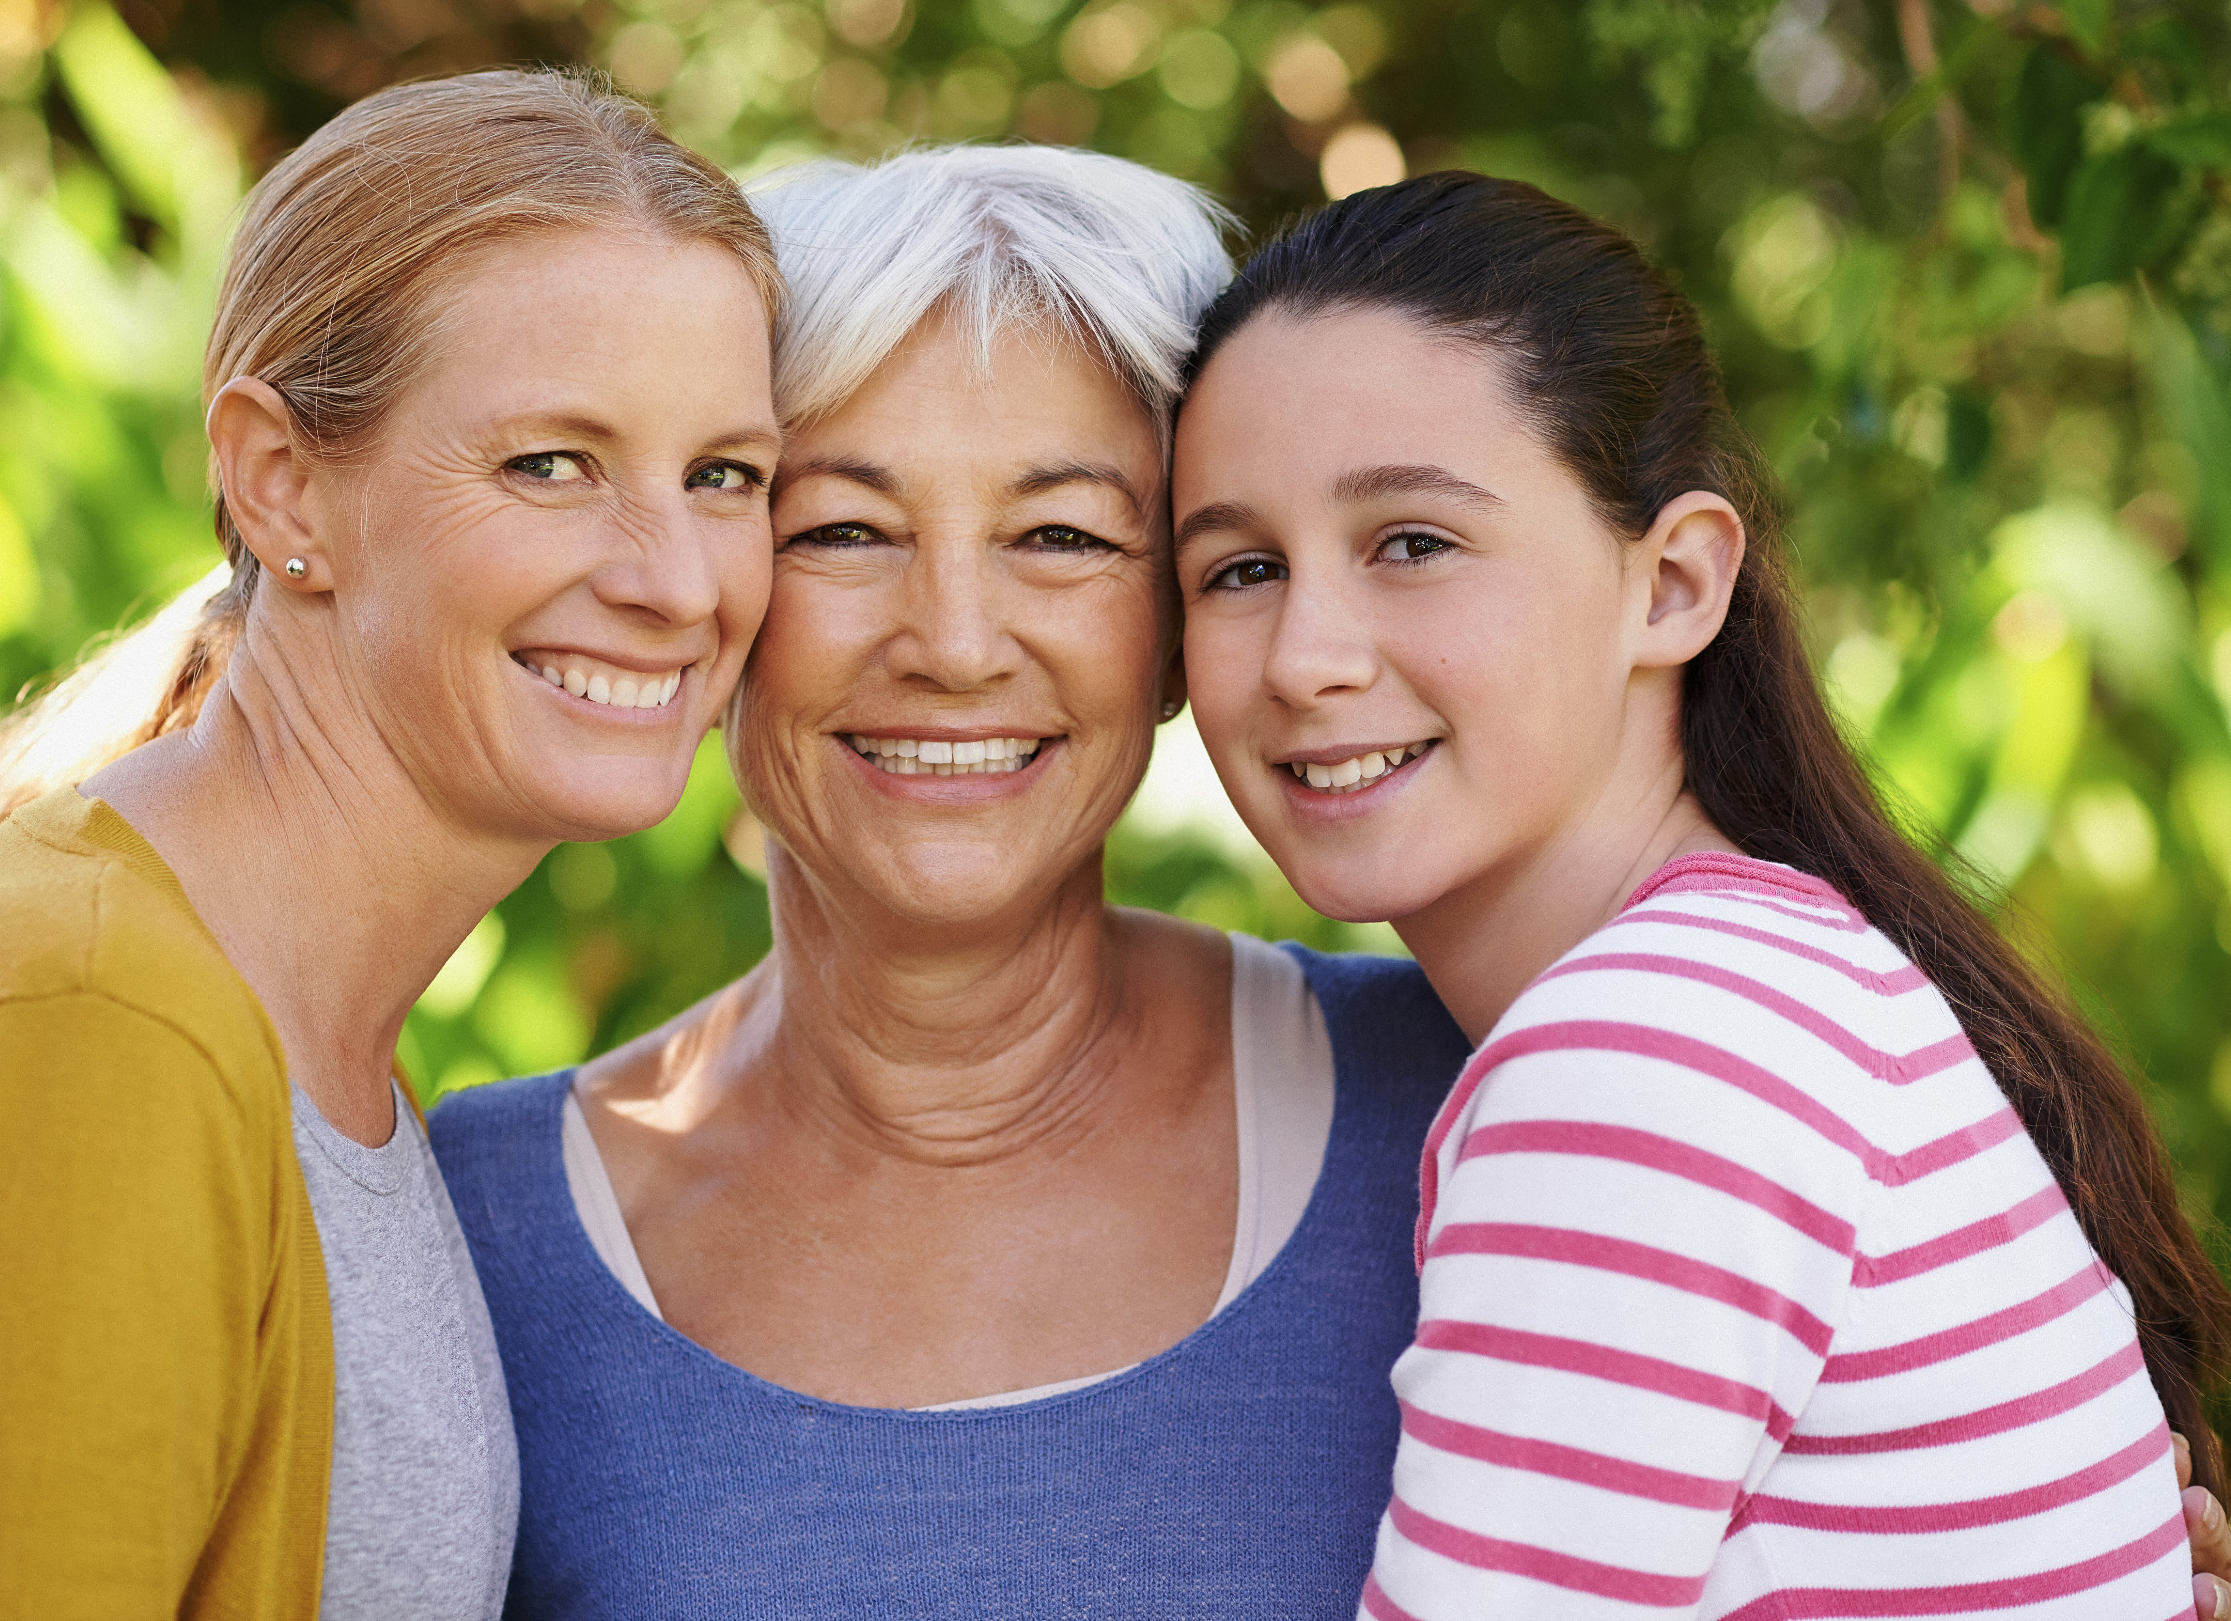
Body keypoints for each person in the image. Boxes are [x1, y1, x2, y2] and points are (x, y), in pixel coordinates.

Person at [0, 69, 780, 1619]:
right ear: (281, 480)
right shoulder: (83, 1035)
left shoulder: (319, 1051)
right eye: (550, 462)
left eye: (724, 477)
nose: (677, 578)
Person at [429, 144, 1478, 1618]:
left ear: (1178, 623)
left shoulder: (1465, 1115)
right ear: (713, 595)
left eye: (1060, 535)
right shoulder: (477, 1229)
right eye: (845, 529)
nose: (957, 640)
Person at [1170, 169, 2231, 1618]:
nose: (1305, 655)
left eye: (1412, 541)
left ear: (1672, 583)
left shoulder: (1647, 1056)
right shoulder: (1778, 975)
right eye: (1238, 568)